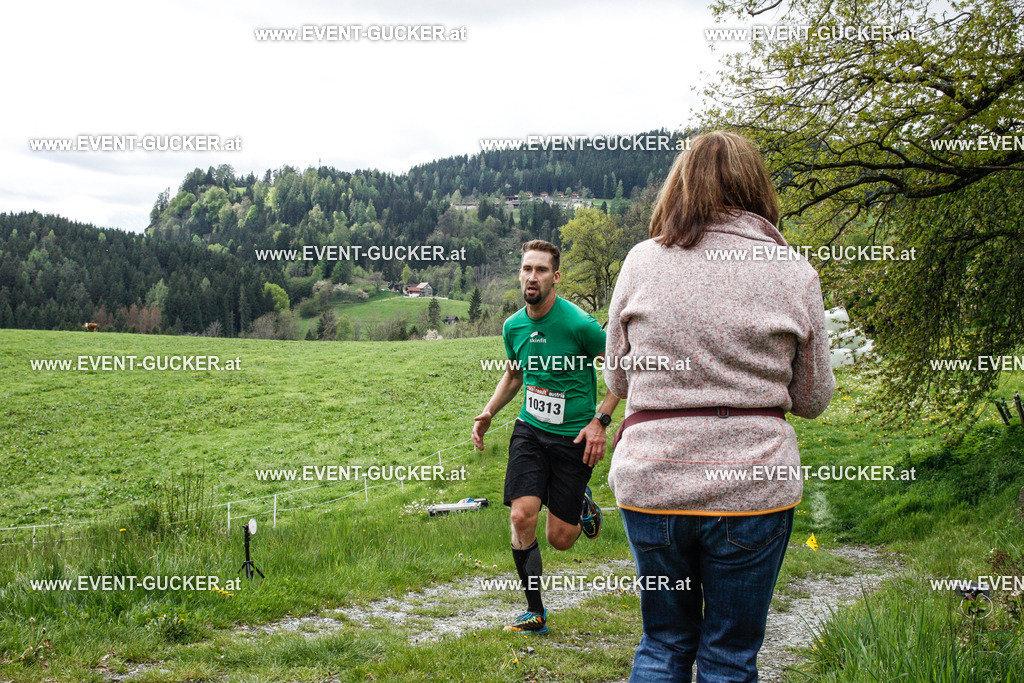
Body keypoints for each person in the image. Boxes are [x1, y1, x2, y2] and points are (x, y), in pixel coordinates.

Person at [604, 131, 835, 682]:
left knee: (662, 644)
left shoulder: (642, 262)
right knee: (730, 656)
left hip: (654, 483)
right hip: (752, 488)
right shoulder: (794, 273)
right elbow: (812, 398)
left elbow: (618, 374)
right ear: (757, 189)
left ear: (679, 187)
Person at [473, 239, 620, 635]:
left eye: (540, 270)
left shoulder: (579, 325)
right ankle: (535, 613)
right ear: (519, 275)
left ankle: (583, 506)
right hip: (530, 431)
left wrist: (600, 422)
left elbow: (621, 373)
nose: (532, 277)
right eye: (526, 269)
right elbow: (515, 374)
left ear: (555, 277)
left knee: (560, 539)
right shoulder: (513, 326)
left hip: (574, 438)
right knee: (521, 516)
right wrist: (489, 411)